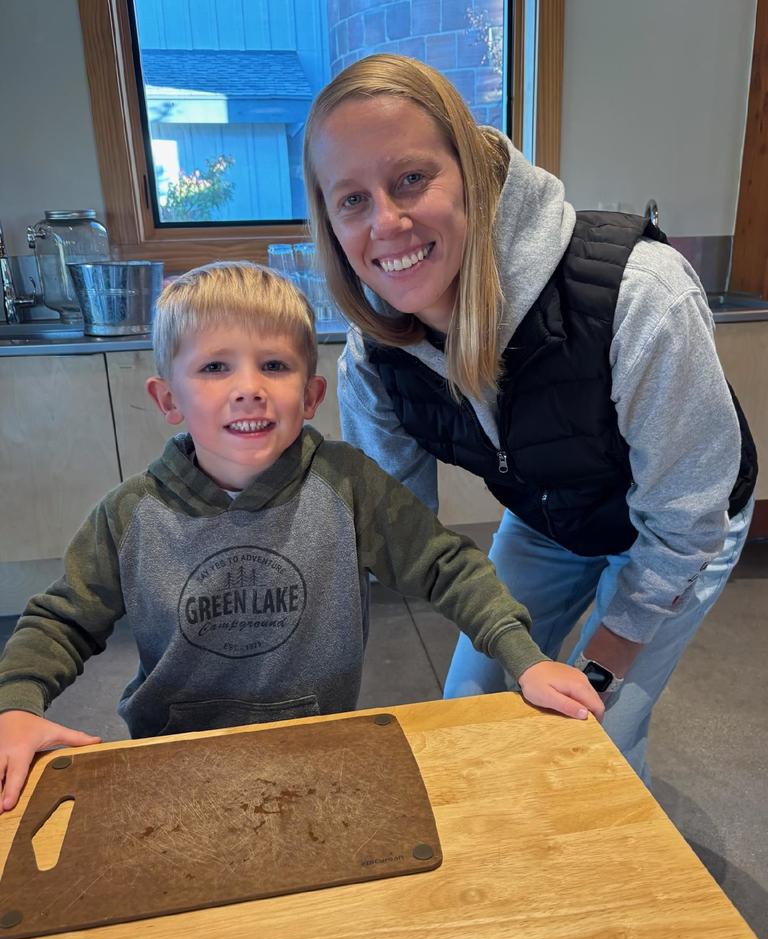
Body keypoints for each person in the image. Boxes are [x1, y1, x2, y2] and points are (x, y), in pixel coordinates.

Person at [0, 261, 603, 812]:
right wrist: (16, 706)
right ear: (168, 399)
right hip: (173, 765)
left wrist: (526, 660)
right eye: (215, 366)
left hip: (320, 752)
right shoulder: (128, 517)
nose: (248, 387)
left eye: (275, 365)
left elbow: (449, 566)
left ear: (311, 396)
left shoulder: (349, 486)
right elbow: (61, 621)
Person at [302, 54, 757, 783]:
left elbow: (683, 522)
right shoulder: (375, 356)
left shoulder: (639, 296)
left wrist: (599, 670)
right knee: (473, 707)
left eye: (412, 179)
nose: (387, 222)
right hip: (548, 517)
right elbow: (395, 531)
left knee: (592, 737)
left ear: (472, 174)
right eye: (351, 199)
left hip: (677, 528)